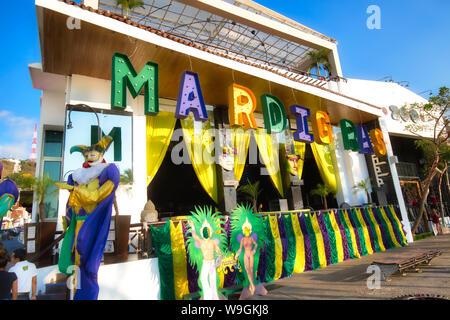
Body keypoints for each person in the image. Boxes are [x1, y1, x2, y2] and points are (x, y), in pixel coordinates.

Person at [188, 220, 222, 300]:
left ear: (209, 232)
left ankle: (214, 297)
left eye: (207, 231)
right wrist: (192, 226)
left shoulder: (213, 242)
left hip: (212, 262)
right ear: (203, 233)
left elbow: (218, 250)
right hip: (206, 262)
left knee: (212, 280)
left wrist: (219, 255)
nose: (206, 233)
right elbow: (194, 236)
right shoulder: (201, 242)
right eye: (205, 231)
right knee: (203, 278)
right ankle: (208, 296)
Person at [235, 219, 257, 295]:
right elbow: (240, 249)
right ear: (244, 231)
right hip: (245, 255)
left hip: (250, 254)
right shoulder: (242, 239)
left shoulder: (251, 238)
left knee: (251, 269)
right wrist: (237, 254)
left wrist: (254, 250)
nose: (246, 232)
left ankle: (251, 285)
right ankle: (252, 286)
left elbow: (256, 244)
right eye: (245, 230)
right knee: (247, 270)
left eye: (247, 230)